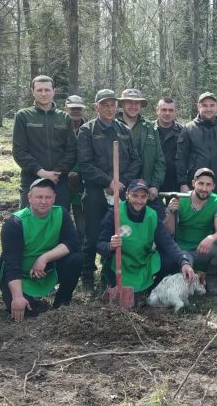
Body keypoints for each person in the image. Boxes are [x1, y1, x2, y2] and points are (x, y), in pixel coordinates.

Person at [77, 89, 142, 293]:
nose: (109, 108)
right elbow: (85, 164)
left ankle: (109, 276)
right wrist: (108, 181)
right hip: (96, 191)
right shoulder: (87, 131)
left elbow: (135, 160)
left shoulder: (123, 130)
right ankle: (87, 277)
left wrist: (121, 182)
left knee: (115, 235)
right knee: (92, 235)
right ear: (96, 107)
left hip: (120, 191)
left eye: (113, 105)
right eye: (105, 105)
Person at [0, 178, 83, 321]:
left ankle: (62, 302)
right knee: (26, 309)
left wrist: (44, 258)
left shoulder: (61, 214)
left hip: (46, 270)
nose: (43, 201)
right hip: (20, 275)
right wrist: (17, 297)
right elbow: (12, 264)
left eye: (48, 197)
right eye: (39, 197)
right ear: (29, 197)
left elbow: (72, 243)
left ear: (54, 198)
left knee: (76, 259)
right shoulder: (15, 223)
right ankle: (26, 297)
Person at [96, 179, 196, 299]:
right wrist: (110, 246)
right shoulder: (114, 213)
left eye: (143, 197)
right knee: (128, 299)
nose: (139, 201)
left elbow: (167, 242)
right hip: (119, 265)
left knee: (171, 261)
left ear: (148, 197)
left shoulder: (152, 215)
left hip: (142, 262)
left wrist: (184, 261)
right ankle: (109, 283)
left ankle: (152, 288)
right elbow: (100, 245)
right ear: (127, 195)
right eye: (135, 196)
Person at [12, 75, 77, 210]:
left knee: (59, 220)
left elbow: (72, 151)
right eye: (39, 90)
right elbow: (19, 151)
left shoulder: (64, 118)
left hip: (59, 182)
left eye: (47, 90)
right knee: (29, 220)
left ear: (54, 91)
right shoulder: (23, 116)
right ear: (32, 91)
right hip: (31, 180)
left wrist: (56, 172)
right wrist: (41, 172)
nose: (43, 93)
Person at [164, 168, 217, 295]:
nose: (204, 188)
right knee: (184, 283)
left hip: (204, 248)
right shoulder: (180, 199)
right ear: (193, 183)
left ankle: (211, 277)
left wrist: (211, 238)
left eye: (208, 184)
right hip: (183, 250)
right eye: (201, 183)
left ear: (213, 186)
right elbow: (169, 231)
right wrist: (171, 212)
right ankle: (191, 278)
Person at [176, 92, 217, 199]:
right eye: (204, 105)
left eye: (212, 105)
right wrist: (183, 183)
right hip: (195, 184)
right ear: (198, 107)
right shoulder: (188, 129)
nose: (208, 109)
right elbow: (180, 158)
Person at [118, 88, 165, 202]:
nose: (133, 106)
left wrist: (155, 185)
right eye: (129, 102)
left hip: (144, 190)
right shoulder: (112, 125)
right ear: (122, 104)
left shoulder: (150, 128)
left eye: (137, 103)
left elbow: (159, 160)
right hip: (118, 189)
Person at [65, 95, 88, 250]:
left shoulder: (89, 129)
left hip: (82, 183)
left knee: (82, 225)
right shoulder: (59, 127)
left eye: (78, 108)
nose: (75, 111)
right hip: (61, 181)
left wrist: (77, 172)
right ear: (66, 109)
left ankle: (81, 256)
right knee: (62, 220)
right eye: (72, 108)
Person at [155, 97, 183, 195]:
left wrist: (183, 182)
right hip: (153, 181)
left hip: (175, 182)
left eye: (171, 110)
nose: (167, 113)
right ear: (157, 110)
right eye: (164, 109)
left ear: (175, 112)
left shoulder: (183, 131)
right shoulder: (148, 130)